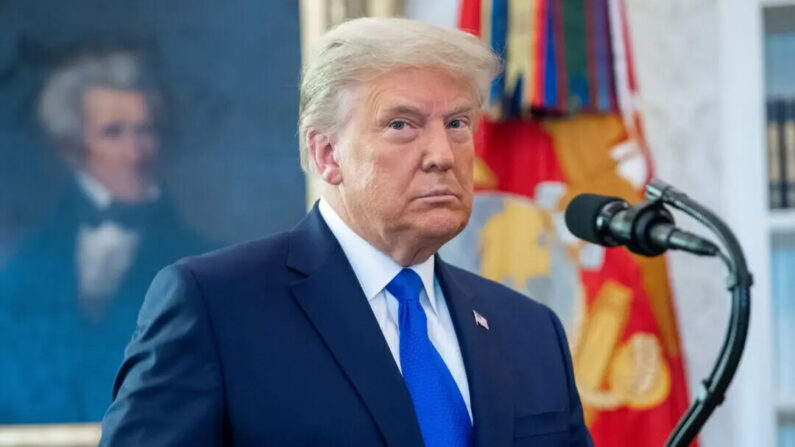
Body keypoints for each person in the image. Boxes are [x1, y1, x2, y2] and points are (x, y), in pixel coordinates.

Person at [99, 18, 593, 446]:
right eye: (402, 125)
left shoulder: (531, 331)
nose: (443, 154)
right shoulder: (215, 307)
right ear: (327, 155)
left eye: (458, 123)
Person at [0, 50, 208, 422]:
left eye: (144, 131)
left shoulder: (205, 265)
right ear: (71, 148)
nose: (135, 153)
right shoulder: (20, 269)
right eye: (113, 133)